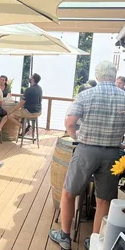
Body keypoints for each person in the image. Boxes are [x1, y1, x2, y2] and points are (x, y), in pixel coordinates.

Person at [49, 61, 125, 250]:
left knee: (69, 193)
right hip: (113, 153)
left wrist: (76, 135)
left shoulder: (86, 94)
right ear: (114, 75)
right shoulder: (124, 97)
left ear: (98, 76)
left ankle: (65, 237)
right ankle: (95, 240)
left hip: (86, 150)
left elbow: (70, 122)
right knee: (103, 200)